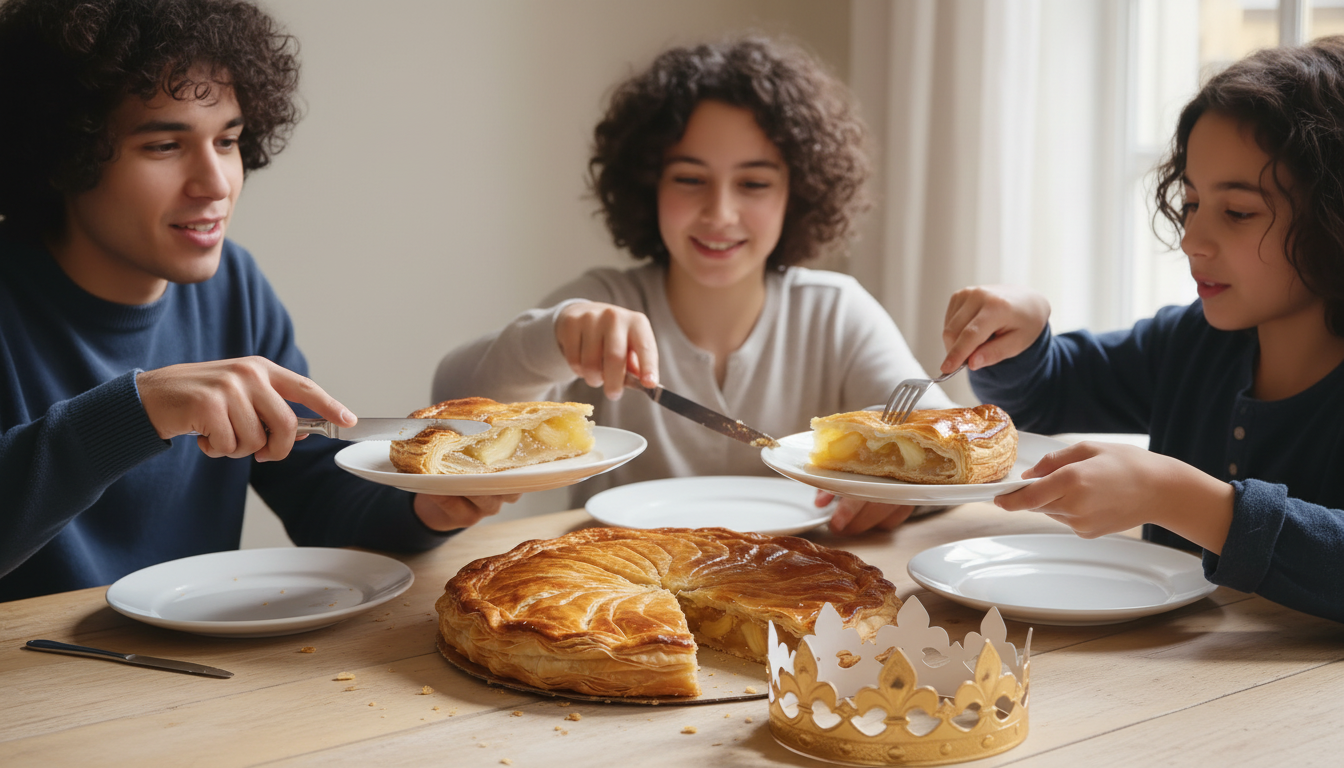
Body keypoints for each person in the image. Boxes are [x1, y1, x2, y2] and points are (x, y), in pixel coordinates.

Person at [0, 0, 514, 603]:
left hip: (192, 654)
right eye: (164, 145)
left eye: (228, 140)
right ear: (63, 151)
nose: (215, 183)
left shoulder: (235, 287)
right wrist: (140, 410)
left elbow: (315, 493)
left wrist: (425, 508)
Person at [432, 35, 952, 535]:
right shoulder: (601, 306)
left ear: (797, 193)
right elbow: (451, 405)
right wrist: (550, 338)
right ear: (648, 184)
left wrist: (902, 492)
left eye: (753, 183)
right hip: (620, 579)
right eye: (689, 179)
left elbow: (948, 445)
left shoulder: (836, 313)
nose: (720, 213)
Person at [940, 37, 1344, 623]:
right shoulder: (1191, 344)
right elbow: (1046, 391)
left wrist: (1176, 496)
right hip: (1156, 674)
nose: (1192, 240)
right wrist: (1019, 336)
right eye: (1191, 203)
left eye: (1238, 212)